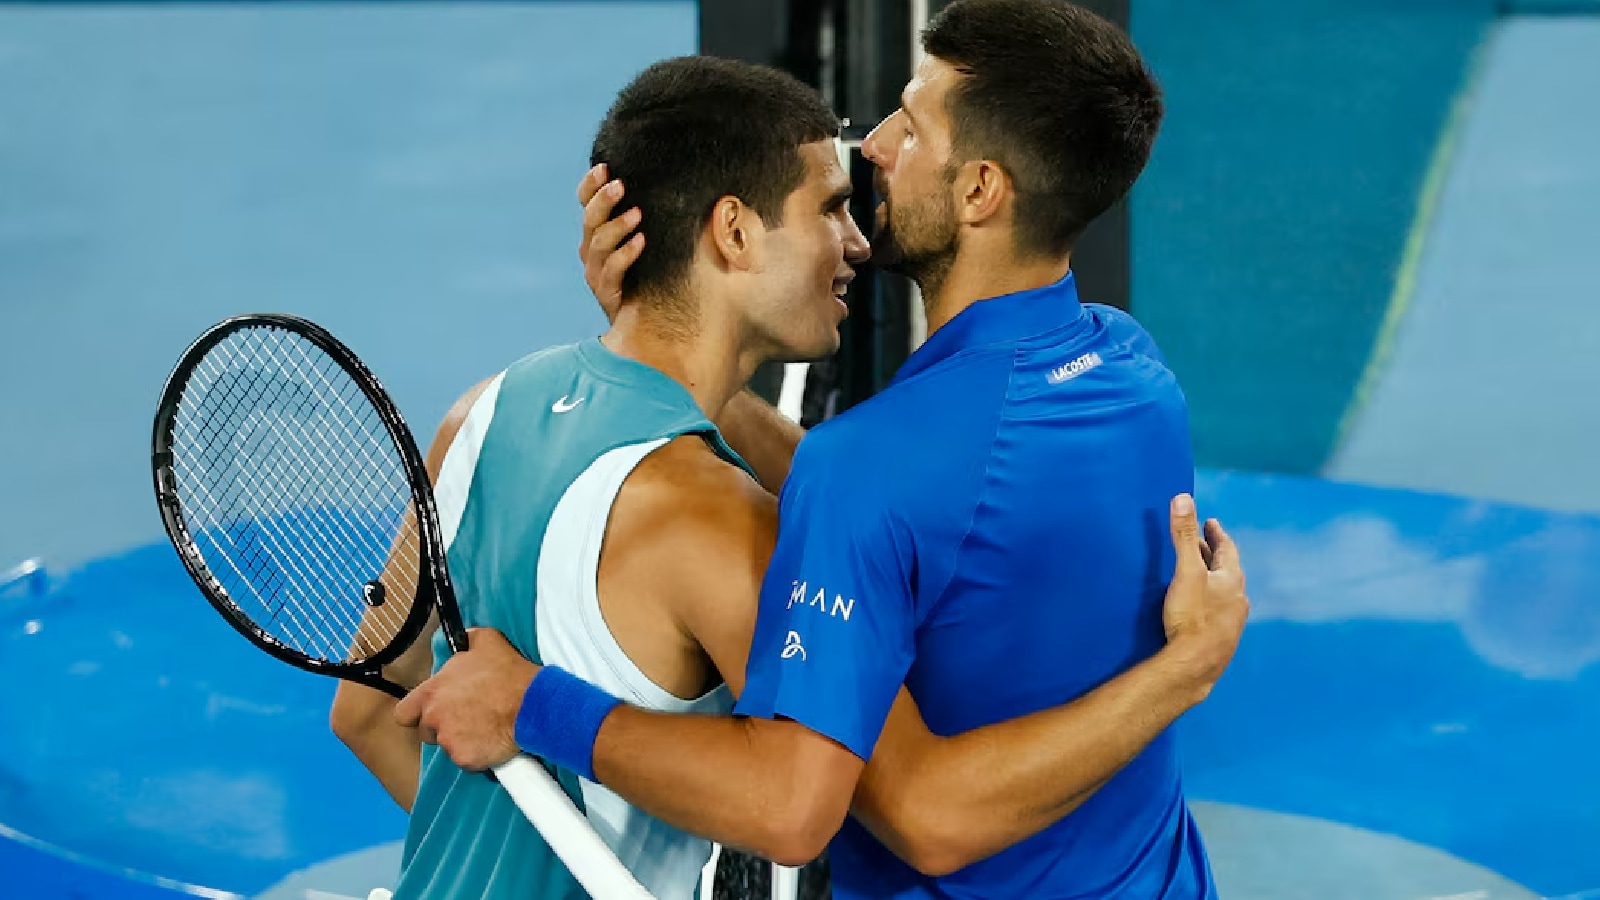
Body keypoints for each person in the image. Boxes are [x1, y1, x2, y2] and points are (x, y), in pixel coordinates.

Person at [363, 9, 1246, 898]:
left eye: (913, 122)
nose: (877, 148)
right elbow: (920, 511)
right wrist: (664, 350)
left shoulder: (856, 471)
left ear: (981, 190)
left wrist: (1185, 673)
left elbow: (906, 814)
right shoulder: (1135, 374)